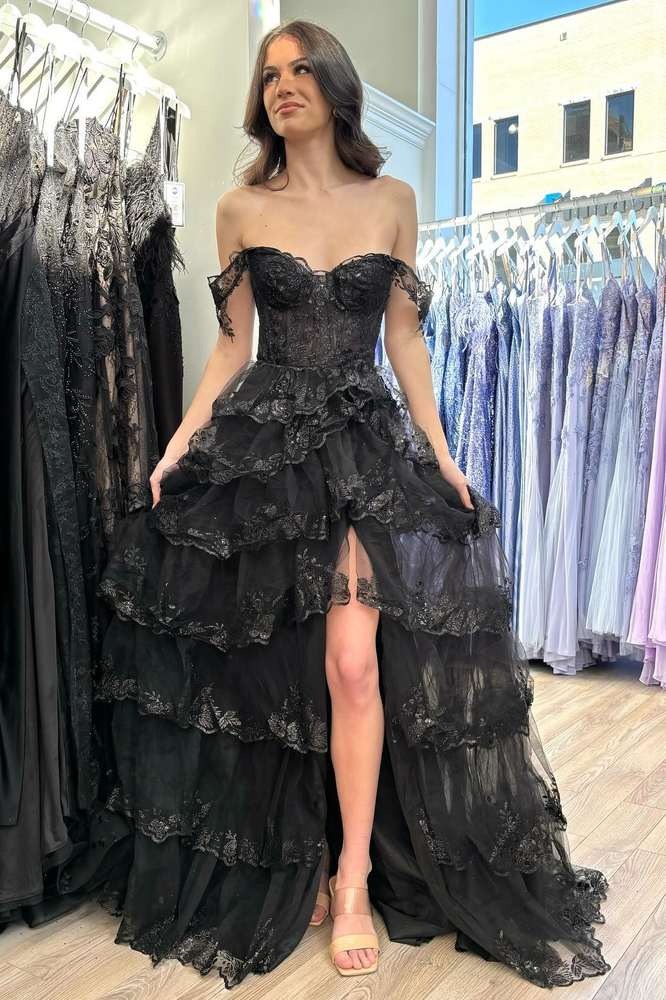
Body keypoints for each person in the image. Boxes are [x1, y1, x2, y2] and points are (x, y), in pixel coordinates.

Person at [63, 18, 611, 991]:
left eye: (301, 69)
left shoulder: (392, 200)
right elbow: (232, 346)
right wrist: (182, 439)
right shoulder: (239, 207)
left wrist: (440, 452)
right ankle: (301, 847)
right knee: (273, 668)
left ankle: (353, 874)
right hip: (264, 451)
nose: (283, 85)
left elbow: (405, 341)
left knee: (354, 663)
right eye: (270, 73)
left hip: (361, 446)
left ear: (334, 85)